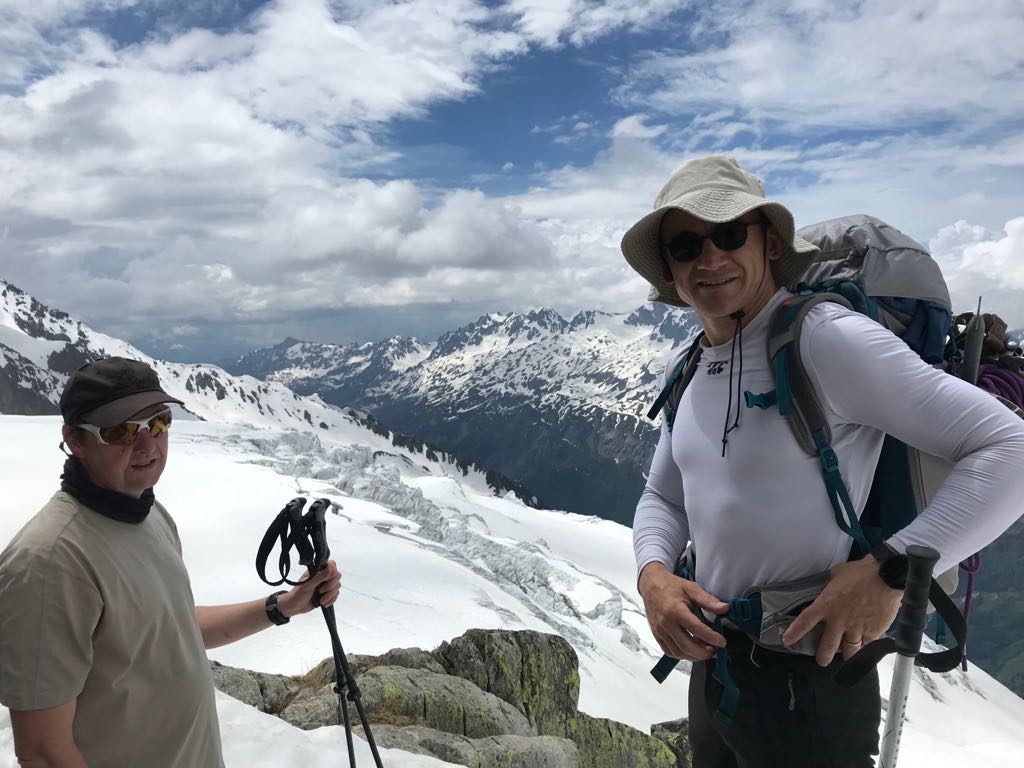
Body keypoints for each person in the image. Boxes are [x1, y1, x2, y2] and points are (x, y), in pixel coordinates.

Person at [620, 155, 1024, 767]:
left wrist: (889, 573)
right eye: (685, 245)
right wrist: (653, 574)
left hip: (812, 678)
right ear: (669, 271)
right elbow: (665, 496)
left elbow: (1010, 448)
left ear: (770, 243)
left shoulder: (824, 339)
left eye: (728, 233)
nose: (709, 257)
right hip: (716, 664)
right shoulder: (691, 364)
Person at [0, 357, 342, 767]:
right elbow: (43, 751)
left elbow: (171, 627)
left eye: (158, 422)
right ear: (75, 440)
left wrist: (283, 606)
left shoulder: (150, 516)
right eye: (121, 430)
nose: (147, 445)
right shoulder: (49, 563)